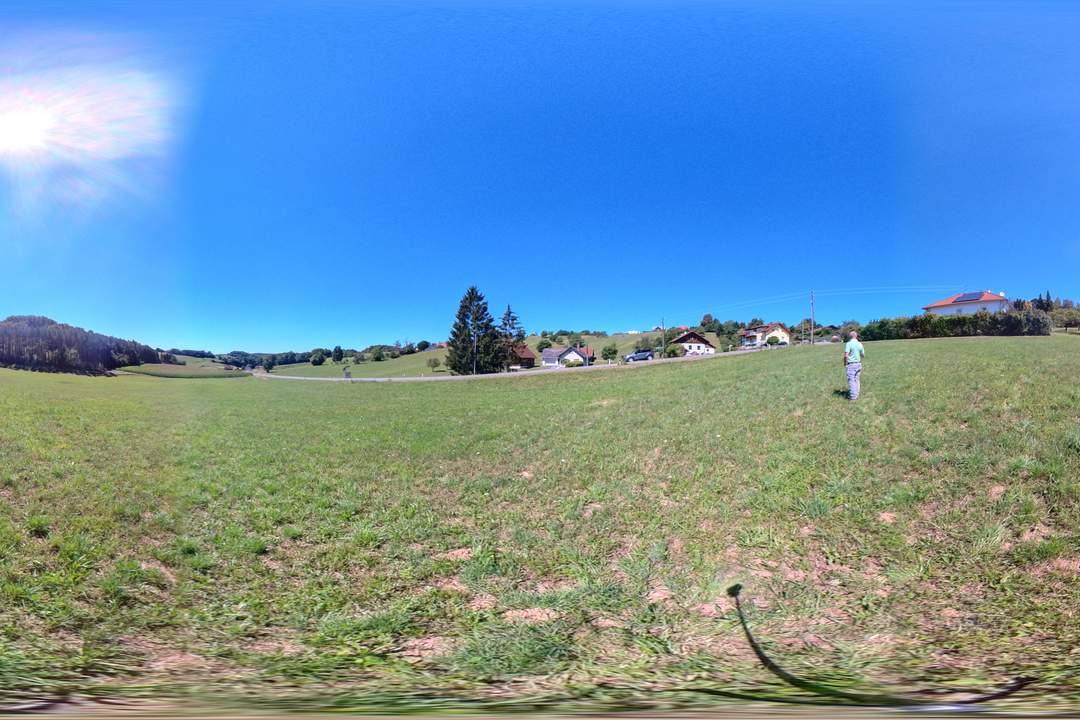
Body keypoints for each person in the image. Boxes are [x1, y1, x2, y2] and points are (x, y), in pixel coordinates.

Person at [843, 331, 865, 401]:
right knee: (857, 380)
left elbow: (846, 355)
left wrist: (845, 363)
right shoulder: (860, 344)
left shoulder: (848, 344)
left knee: (851, 381)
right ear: (856, 336)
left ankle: (853, 397)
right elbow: (863, 355)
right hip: (858, 364)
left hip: (851, 364)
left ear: (850, 336)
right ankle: (856, 394)